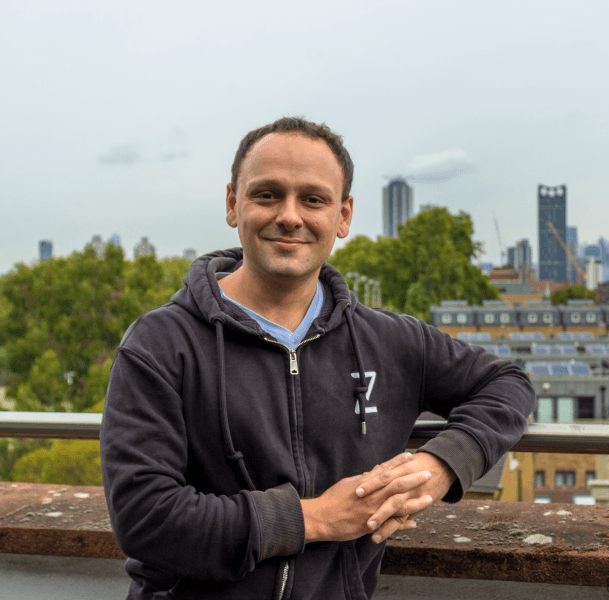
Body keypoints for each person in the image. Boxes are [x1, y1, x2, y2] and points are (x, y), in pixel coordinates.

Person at [100, 117, 536, 600]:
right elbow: (146, 517)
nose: (290, 216)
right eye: (267, 195)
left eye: (313, 199)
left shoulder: (390, 341)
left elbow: (507, 383)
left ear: (343, 216)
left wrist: (441, 466)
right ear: (232, 204)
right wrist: (319, 518)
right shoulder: (160, 343)